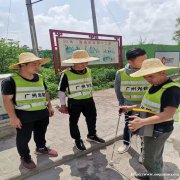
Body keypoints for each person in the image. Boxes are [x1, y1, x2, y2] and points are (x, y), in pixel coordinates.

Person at [121, 58, 180, 180]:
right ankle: (153, 175)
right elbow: (146, 104)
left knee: (149, 160)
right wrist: (130, 107)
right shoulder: (155, 85)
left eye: (150, 76)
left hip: (160, 130)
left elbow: (168, 114)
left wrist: (141, 122)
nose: (147, 80)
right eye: (145, 77)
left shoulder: (171, 90)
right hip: (151, 126)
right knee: (155, 157)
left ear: (162, 73)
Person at [1, 52, 58, 170]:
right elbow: (7, 101)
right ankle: (25, 157)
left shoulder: (40, 78)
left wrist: (50, 106)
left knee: (41, 131)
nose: (38, 67)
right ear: (22, 65)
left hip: (42, 112)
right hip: (24, 114)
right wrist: (13, 117)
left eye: (39, 64)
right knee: (23, 137)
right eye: (34, 64)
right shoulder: (10, 81)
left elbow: (45, 92)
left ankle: (41, 148)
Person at [58, 50, 105, 151]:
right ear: (74, 62)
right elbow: (61, 91)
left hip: (89, 100)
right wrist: (63, 105)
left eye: (86, 62)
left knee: (92, 118)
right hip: (74, 102)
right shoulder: (66, 74)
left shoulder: (88, 70)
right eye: (81, 62)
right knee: (74, 121)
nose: (84, 65)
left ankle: (92, 135)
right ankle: (77, 139)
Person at [114, 48, 148, 154]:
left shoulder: (148, 71)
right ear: (130, 62)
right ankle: (126, 143)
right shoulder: (120, 73)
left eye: (146, 59)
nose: (145, 63)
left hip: (146, 106)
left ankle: (144, 151)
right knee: (128, 125)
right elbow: (117, 89)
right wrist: (121, 103)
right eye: (141, 61)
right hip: (128, 105)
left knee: (145, 129)